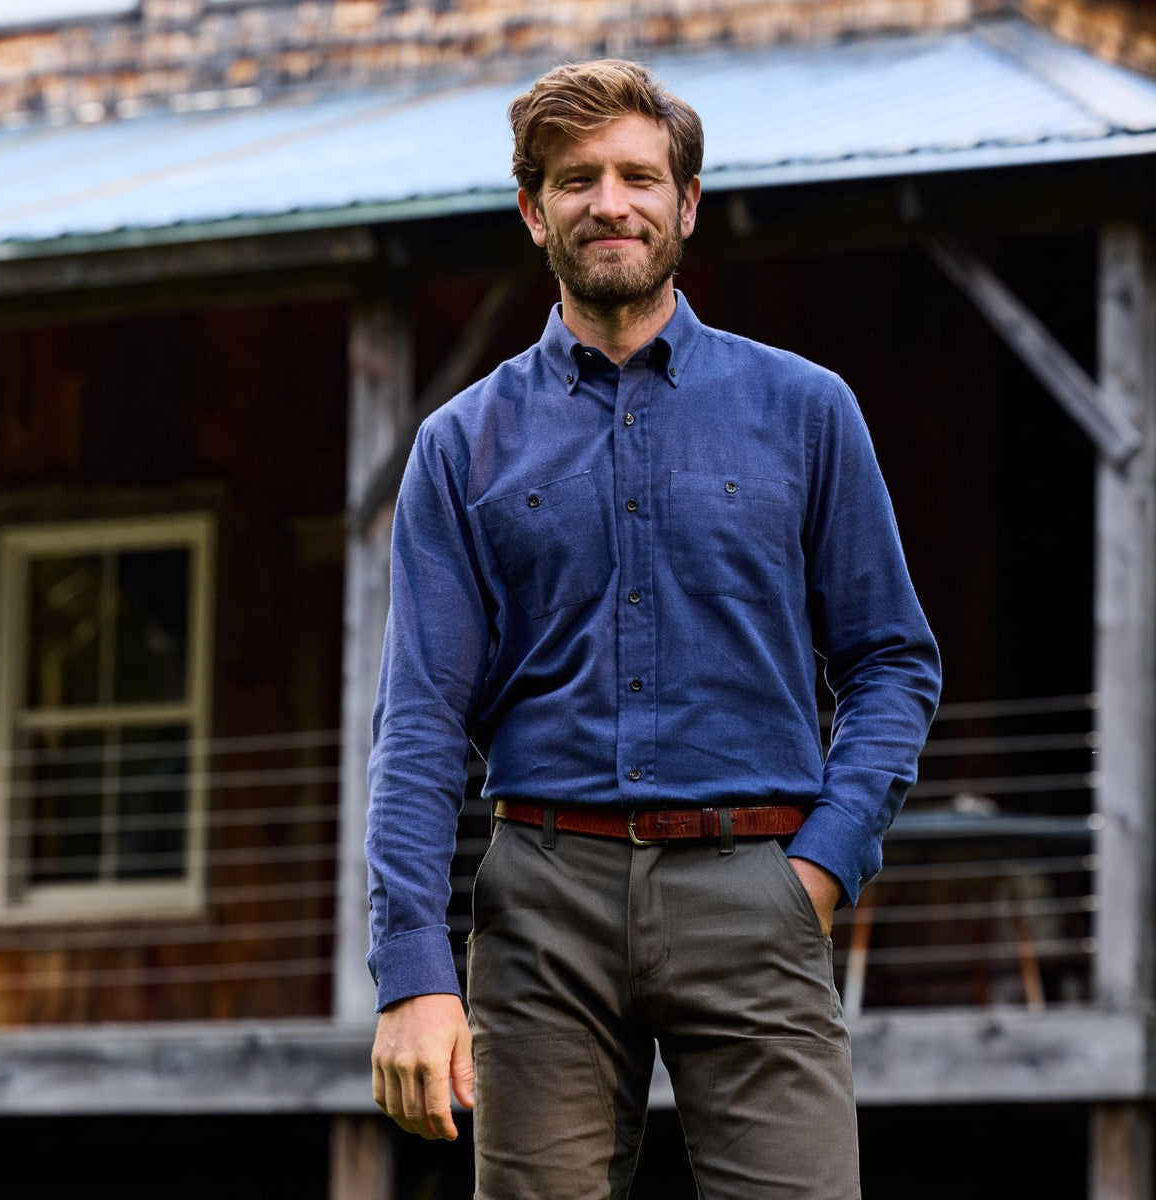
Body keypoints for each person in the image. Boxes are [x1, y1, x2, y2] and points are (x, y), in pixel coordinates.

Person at [366, 58, 941, 1199]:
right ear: (535, 212)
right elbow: (420, 725)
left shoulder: (806, 410)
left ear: (684, 205)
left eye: (639, 175)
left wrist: (821, 867)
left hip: (757, 887)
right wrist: (412, 972)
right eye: (577, 180)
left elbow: (891, 661)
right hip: (541, 910)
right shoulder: (460, 444)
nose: (610, 202)